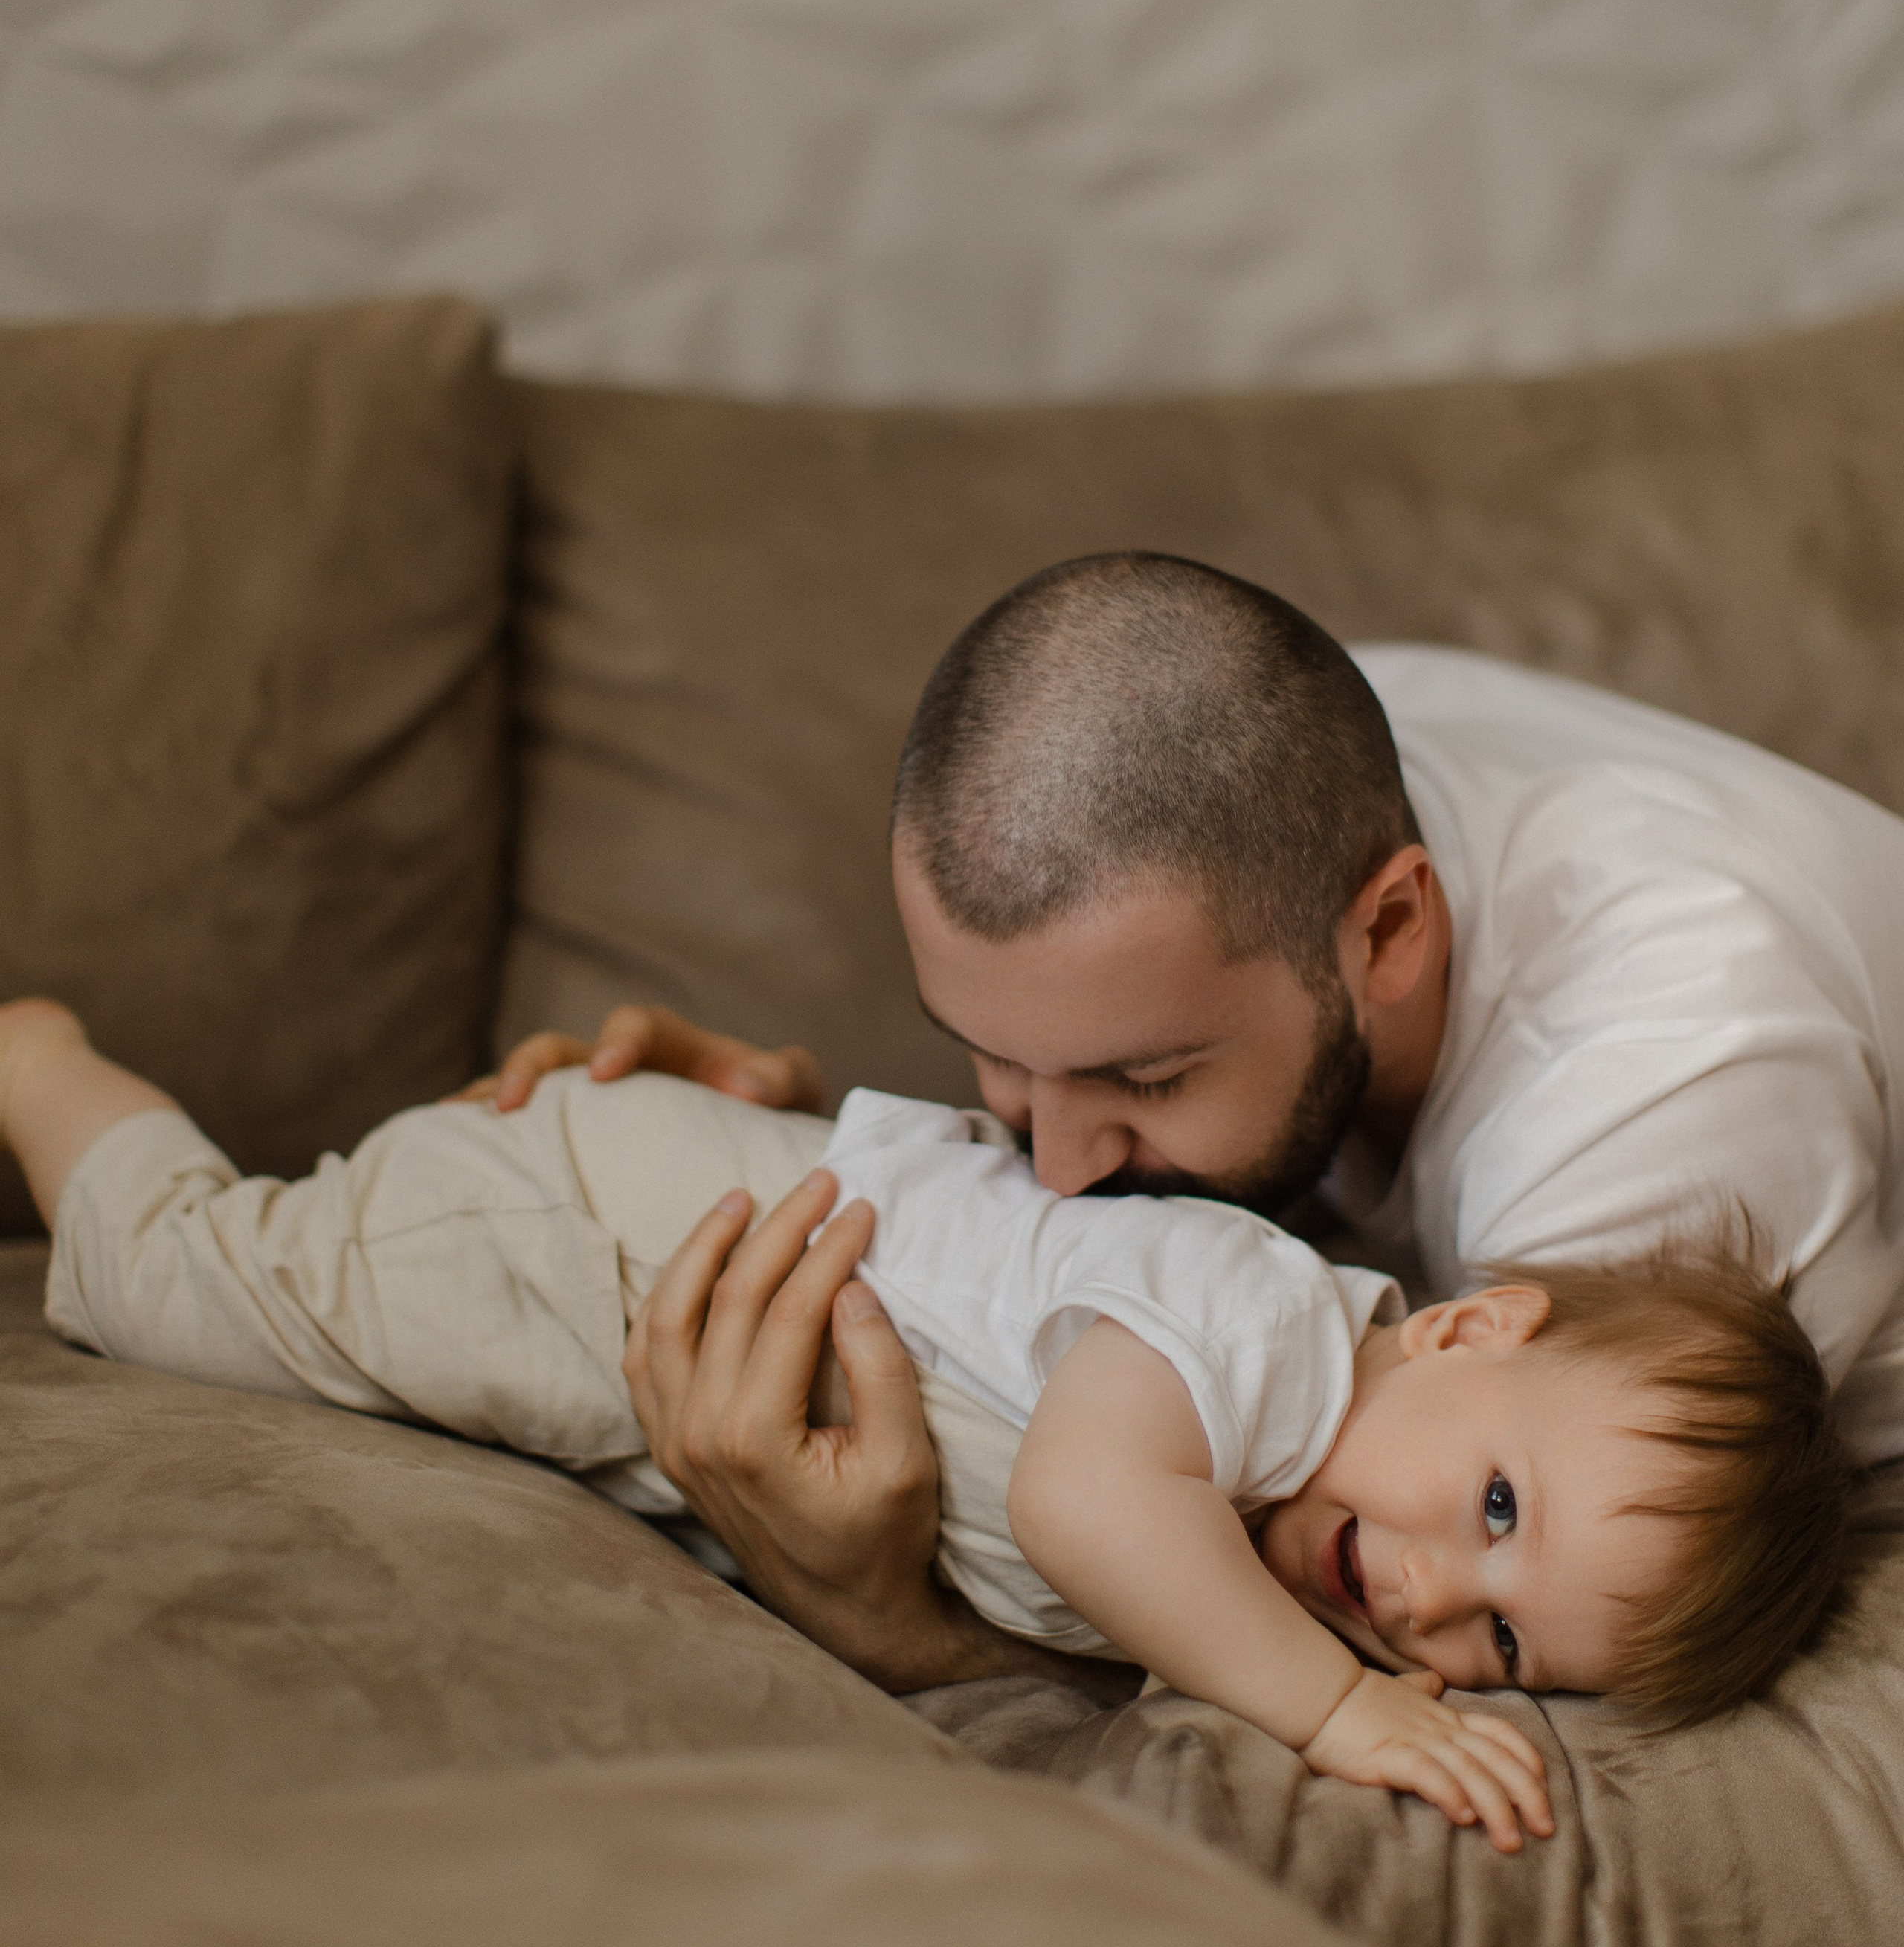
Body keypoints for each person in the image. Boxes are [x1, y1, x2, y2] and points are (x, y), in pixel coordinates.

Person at [476, 555, 1904, 1695]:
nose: (1053, 1160)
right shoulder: (1321, 747)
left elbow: (1381, 1601)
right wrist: (832, 1154)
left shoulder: (1661, 1128)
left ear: (1390, 932)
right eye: (993, 1058)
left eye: (1143, 1084)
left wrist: (884, 1622)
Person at [0, 997, 1853, 1850]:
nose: (1439, 1605)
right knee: (187, 1287)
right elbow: (1079, 1499)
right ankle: (46, 1069)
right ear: (1456, 1327)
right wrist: (1342, 1711)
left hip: (639, 1306)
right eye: (1500, 1503)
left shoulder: (1279, 1534)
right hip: (612, 1233)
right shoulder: (1274, 1332)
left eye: (1507, 1649)